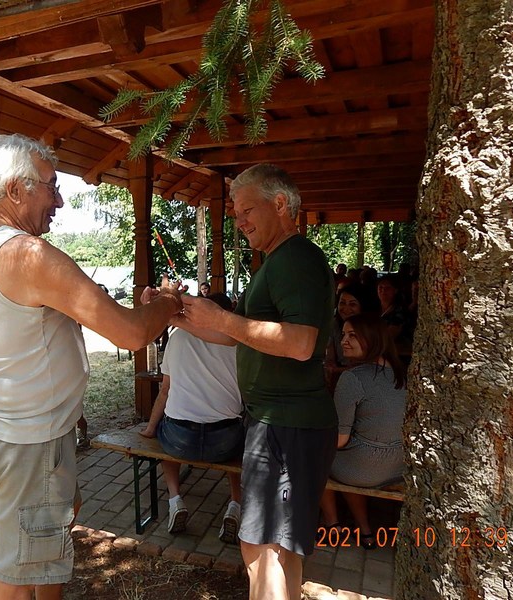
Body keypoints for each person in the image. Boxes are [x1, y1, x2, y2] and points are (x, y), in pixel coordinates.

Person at [0, 133, 183, 600]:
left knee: (52, 534)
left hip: (6, 425)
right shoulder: (27, 255)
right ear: (16, 190)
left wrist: (138, 310)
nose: (59, 200)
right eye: (51, 186)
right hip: (32, 438)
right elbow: (130, 333)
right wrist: (168, 302)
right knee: (17, 573)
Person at [174, 164, 337, 600]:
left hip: (287, 423)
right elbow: (234, 335)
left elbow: (300, 343)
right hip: (281, 423)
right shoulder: (278, 261)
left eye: (247, 210)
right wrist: (178, 314)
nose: (239, 221)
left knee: (262, 548)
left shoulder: (295, 258)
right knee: (277, 550)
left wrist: (224, 318)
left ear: (280, 204)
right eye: (235, 213)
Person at [139, 292, 244, 544]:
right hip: (225, 440)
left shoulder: (177, 337)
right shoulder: (238, 342)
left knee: (165, 435)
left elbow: (165, 390)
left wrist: (151, 429)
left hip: (180, 439)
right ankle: (235, 504)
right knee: (242, 444)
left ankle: (175, 499)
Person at [319, 313, 407, 548]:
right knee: (350, 455)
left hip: (363, 467)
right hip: (397, 466)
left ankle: (332, 525)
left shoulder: (353, 378)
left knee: (313, 456)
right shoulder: (402, 373)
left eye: (353, 336)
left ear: (372, 338)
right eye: (343, 335)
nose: (343, 341)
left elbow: (339, 440)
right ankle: (365, 531)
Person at [324, 283, 374, 392]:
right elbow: (330, 355)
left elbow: (367, 366)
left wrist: (336, 370)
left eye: (352, 304)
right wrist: (330, 366)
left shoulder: (370, 329)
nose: (346, 308)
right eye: (342, 303)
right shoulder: (334, 324)